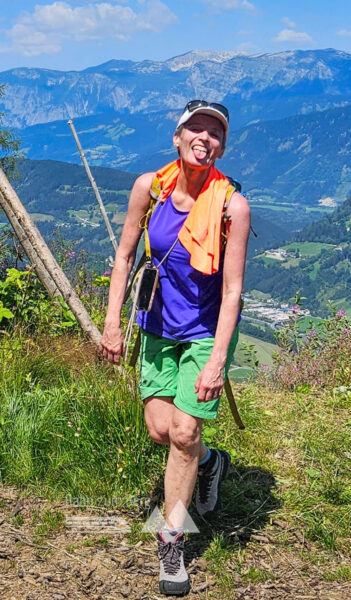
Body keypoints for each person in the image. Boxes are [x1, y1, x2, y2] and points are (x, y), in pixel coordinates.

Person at [100, 100, 250, 596]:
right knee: (161, 431)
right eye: (196, 130)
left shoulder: (232, 205)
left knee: (185, 432)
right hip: (156, 325)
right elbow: (124, 257)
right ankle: (211, 464)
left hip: (204, 333)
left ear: (222, 146)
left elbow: (232, 292)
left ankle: (171, 542)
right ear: (178, 136)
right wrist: (113, 324)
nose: (205, 139)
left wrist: (216, 363)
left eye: (215, 134)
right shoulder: (152, 187)